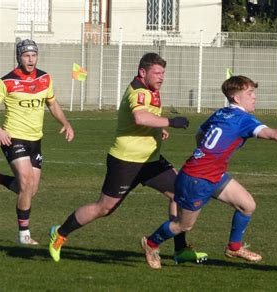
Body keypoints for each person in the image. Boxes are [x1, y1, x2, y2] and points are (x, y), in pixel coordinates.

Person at [140, 75, 277, 269]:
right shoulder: (243, 119)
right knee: (183, 225)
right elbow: (274, 134)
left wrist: (208, 158)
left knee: (247, 205)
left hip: (210, 173)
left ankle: (234, 247)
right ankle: (151, 243)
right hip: (197, 179)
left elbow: (200, 133)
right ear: (237, 98)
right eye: (250, 93)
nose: (254, 97)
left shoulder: (221, 113)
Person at [48, 52, 207, 264]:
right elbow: (139, 116)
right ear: (142, 72)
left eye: (163, 73)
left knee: (180, 194)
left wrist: (159, 129)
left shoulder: (152, 89)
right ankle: (60, 233)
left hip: (151, 160)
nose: (161, 77)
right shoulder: (138, 91)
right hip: (126, 161)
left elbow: (147, 117)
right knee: (104, 208)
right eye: (157, 72)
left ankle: (180, 250)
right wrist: (170, 122)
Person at [0, 39, 74, 245]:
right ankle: (24, 235)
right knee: (26, 183)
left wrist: (66, 123)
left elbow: (52, 103)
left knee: (30, 190)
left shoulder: (44, 78)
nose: (30, 59)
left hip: (36, 140)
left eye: (33, 55)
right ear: (19, 57)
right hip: (13, 138)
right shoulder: (6, 82)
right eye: (26, 55)